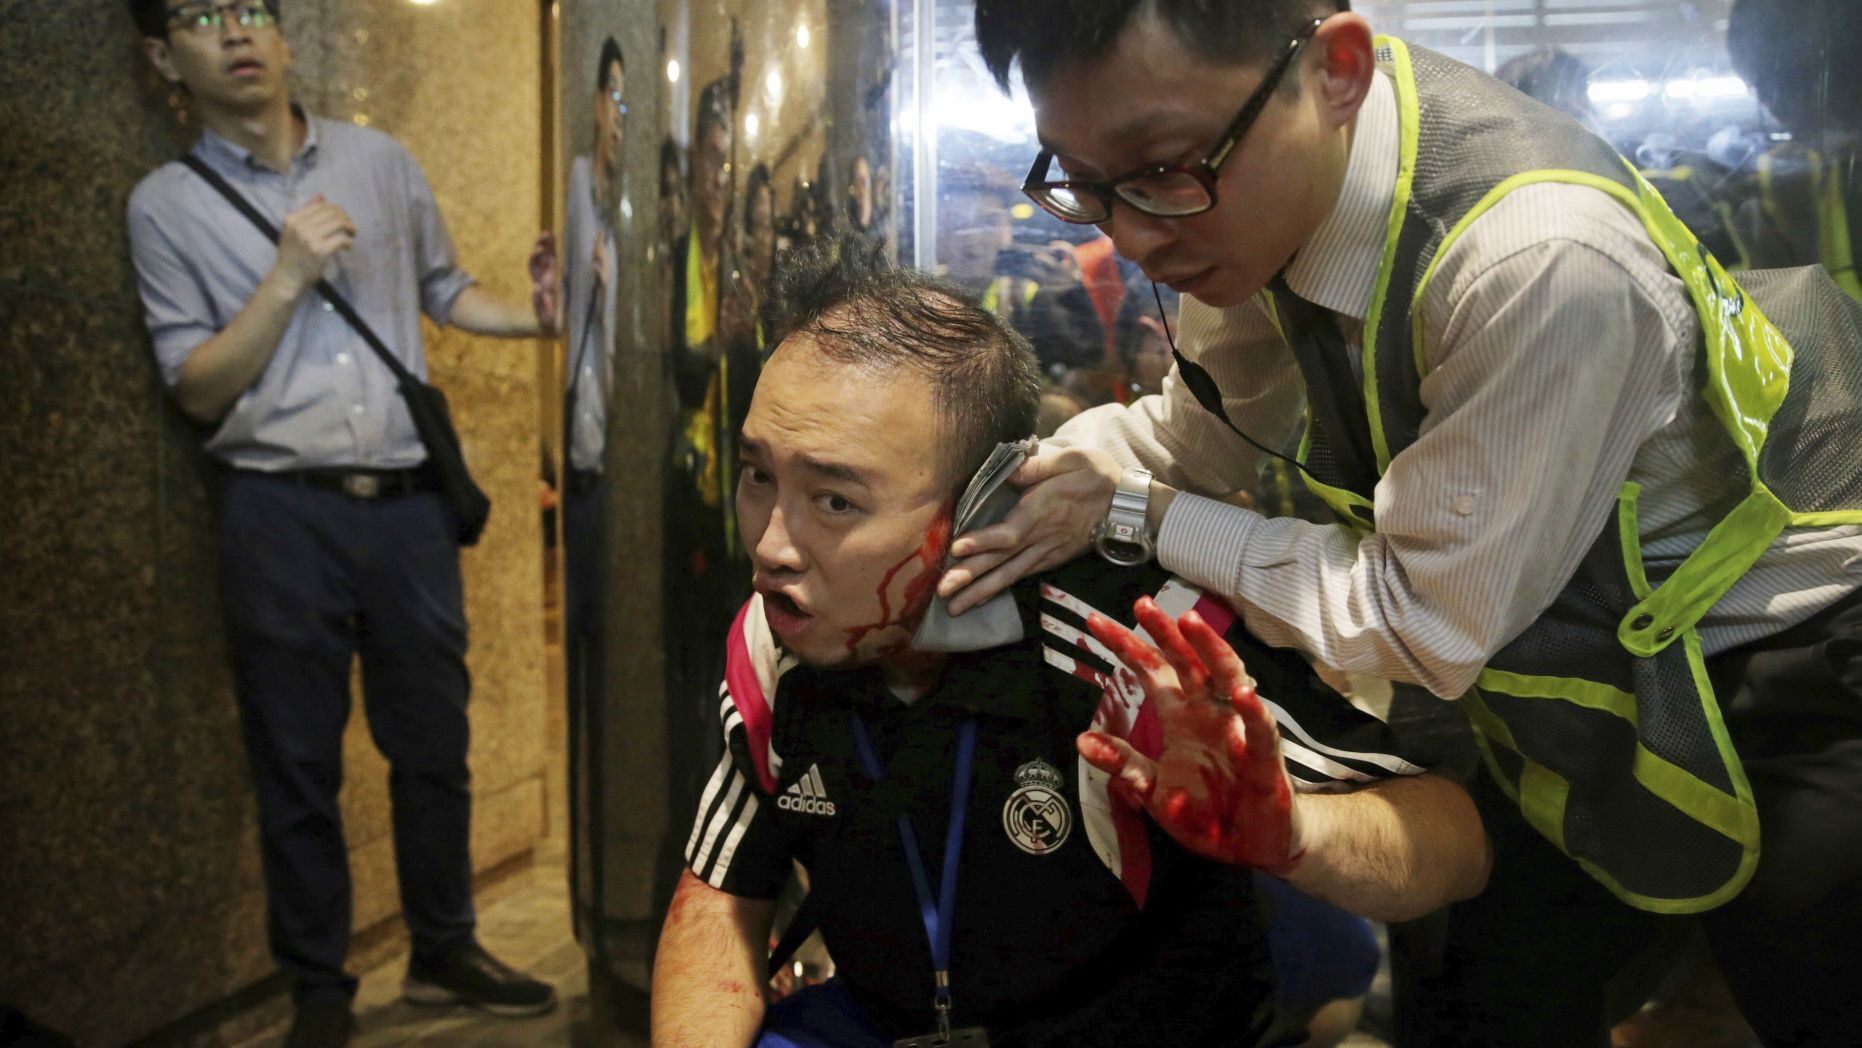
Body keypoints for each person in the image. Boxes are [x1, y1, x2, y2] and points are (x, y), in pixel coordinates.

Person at [951, 2, 1862, 1044]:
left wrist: (1126, 508)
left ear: (1335, 69)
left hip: (1788, 662)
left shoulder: (1538, 260)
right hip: (1564, 662)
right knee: (1477, 992)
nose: (1129, 234)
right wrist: (1008, 475)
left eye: (1160, 166)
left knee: (1810, 980)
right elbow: (1197, 438)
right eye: (1079, 177)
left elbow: (1419, 620)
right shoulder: (1258, 191)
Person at [649, 237, 1489, 1048]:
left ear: (980, 503)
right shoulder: (777, 638)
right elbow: (720, 892)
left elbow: (1454, 841)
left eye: (835, 501)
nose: (770, 549)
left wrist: (1295, 834)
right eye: (760, 476)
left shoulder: (1131, 636)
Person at [124, 2, 559, 1044]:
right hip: (278, 509)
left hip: (406, 506)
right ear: (161, 55)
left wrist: (542, 315)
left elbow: (446, 291)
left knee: (433, 744)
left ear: (279, 34)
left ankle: (443, 948)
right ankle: (320, 991)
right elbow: (194, 386)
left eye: (252, 9)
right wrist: (286, 278)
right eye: (200, 15)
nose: (235, 32)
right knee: (297, 762)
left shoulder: (375, 158)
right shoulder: (164, 205)